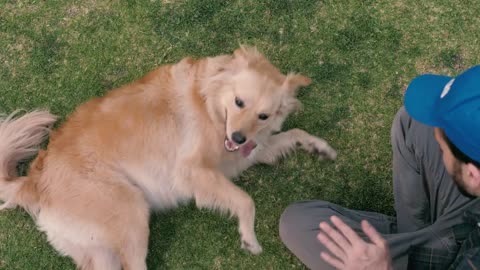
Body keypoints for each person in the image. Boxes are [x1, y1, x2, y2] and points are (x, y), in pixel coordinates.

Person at [279, 65, 480, 269]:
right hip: (468, 220)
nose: (439, 148)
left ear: (473, 174)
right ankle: (411, 236)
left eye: (441, 148)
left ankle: (408, 251)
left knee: (298, 224)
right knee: (418, 121)